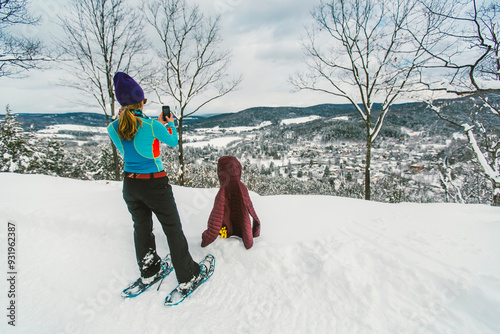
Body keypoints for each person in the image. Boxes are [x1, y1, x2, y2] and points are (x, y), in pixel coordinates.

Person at [107, 72, 201, 290]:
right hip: (155, 184)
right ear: (140, 101)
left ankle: (150, 271)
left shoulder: (113, 127)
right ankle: (188, 276)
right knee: (172, 228)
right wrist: (168, 124)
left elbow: (126, 151)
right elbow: (172, 141)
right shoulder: (151, 125)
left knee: (141, 228)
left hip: (130, 185)